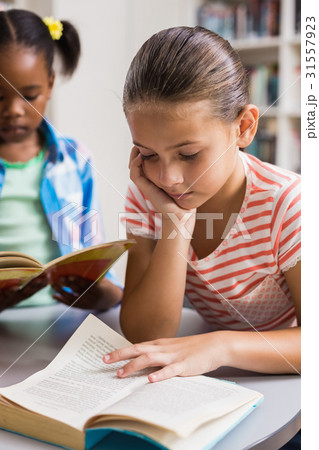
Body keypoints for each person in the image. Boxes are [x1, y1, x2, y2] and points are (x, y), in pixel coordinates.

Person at [103, 26, 301, 382]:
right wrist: (175, 224)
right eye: (147, 154)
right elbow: (145, 333)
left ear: (244, 127)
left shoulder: (288, 203)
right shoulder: (149, 194)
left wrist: (221, 346)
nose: (168, 178)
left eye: (189, 154)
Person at [0, 9, 122, 311]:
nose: (14, 110)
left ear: (50, 85)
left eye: (29, 96)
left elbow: (93, 255)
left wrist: (109, 294)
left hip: (61, 315)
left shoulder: (74, 158)